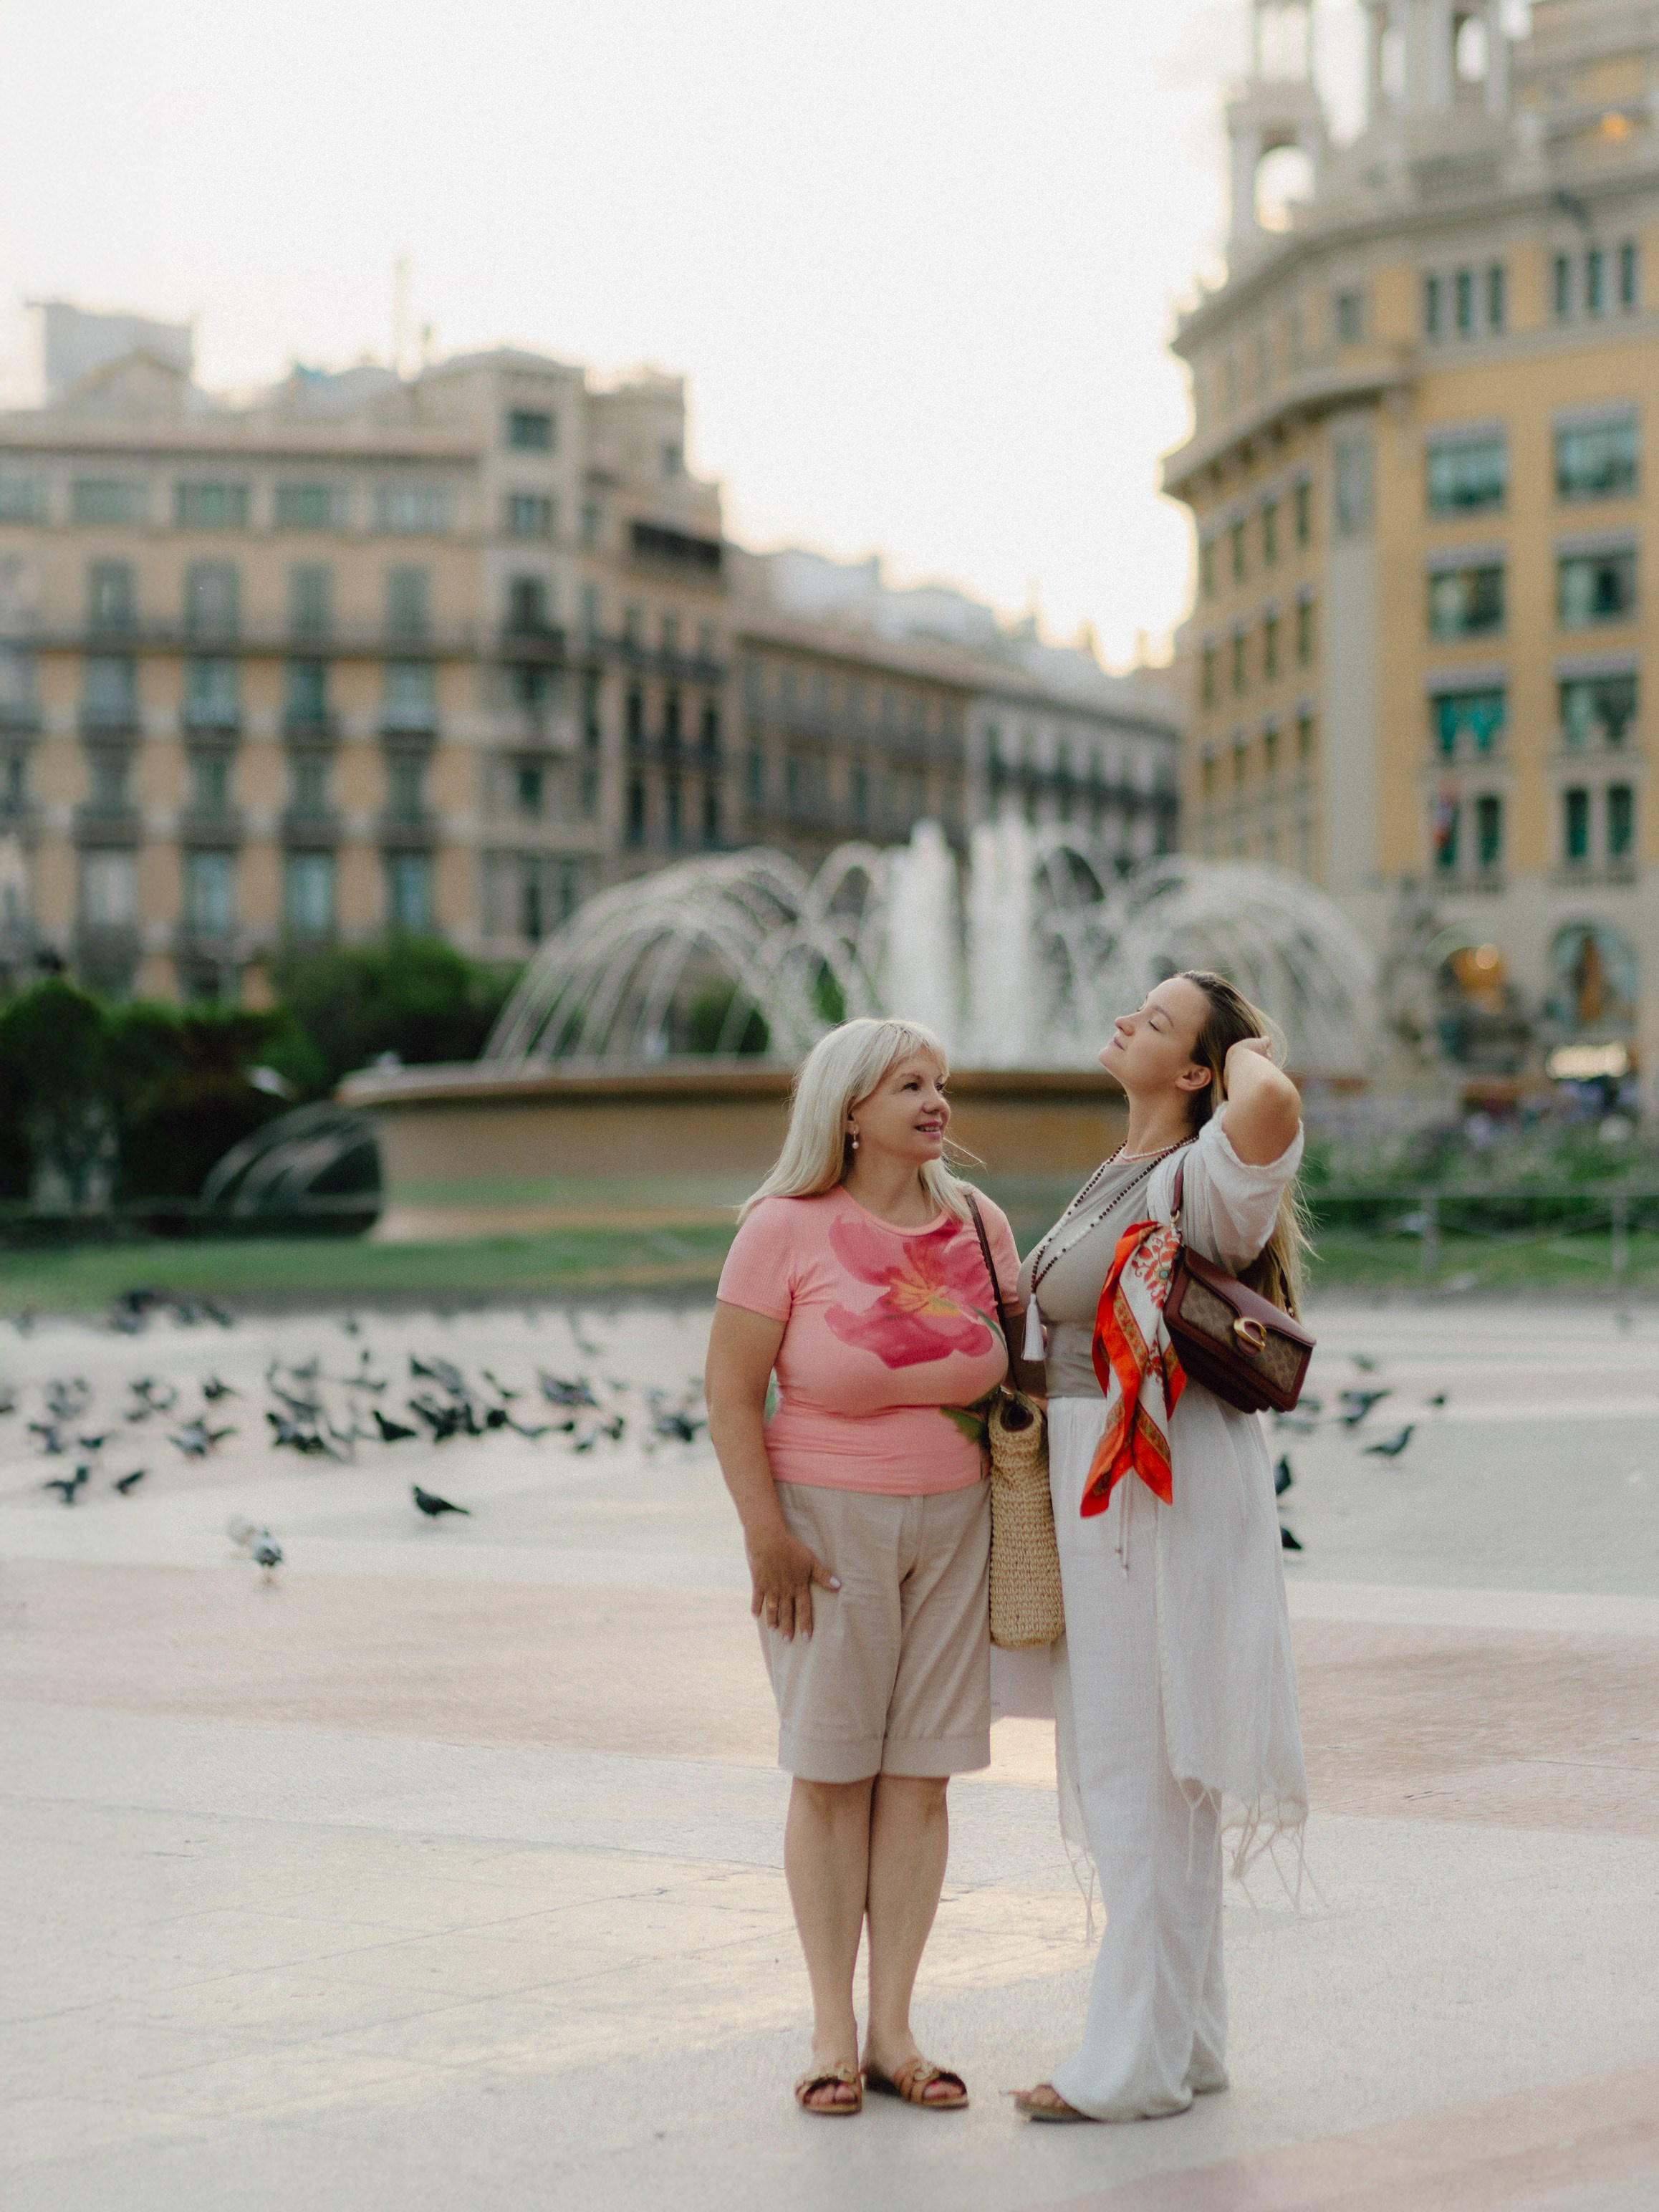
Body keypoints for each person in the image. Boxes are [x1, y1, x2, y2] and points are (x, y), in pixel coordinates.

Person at [705, 1017, 1019, 2117]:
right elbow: (731, 1395)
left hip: (959, 1525)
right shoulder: (783, 1228)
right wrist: (764, 1532)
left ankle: (896, 2031)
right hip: (822, 1530)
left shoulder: (980, 1223)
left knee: (921, 1776)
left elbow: (1019, 1363)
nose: (936, 1102)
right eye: (908, 1086)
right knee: (833, 1773)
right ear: (848, 1109)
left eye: (939, 1084)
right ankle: (832, 2034)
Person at [1011, 970, 1309, 2124]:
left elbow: (1273, 1093)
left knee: (1141, 1776)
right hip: (1108, 1482)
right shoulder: (1120, 1175)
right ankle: (1188, 2043)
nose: (1127, 1014)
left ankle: (1129, 2065)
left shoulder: (1208, 1178)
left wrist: (1231, 1037)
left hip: (1152, 1491)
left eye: (1160, 1017)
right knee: (1148, 1770)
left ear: (1198, 1071)